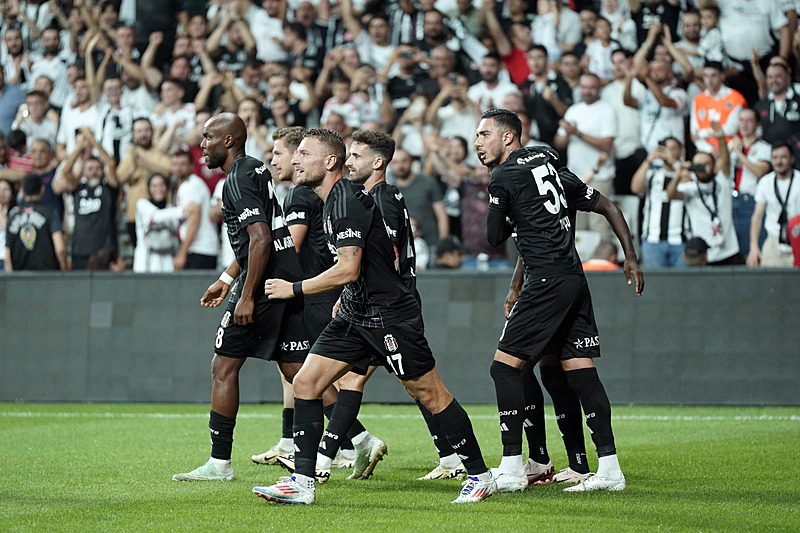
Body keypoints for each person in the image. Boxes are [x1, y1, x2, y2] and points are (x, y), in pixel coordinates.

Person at [253, 128, 497, 504]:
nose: (295, 159)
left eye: (303, 153)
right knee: (305, 383)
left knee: (429, 393)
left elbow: (348, 268)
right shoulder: (331, 201)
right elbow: (359, 269)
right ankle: (302, 483)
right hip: (355, 313)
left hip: (388, 316)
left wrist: (293, 288)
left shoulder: (347, 201)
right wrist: (347, 297)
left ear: (328, 161)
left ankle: (480, 475)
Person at [475, 108, 643, 493]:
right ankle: (606, 469)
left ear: (508, 138)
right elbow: (607, 207)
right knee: (576, 373)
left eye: (485, 134)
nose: (477, 142)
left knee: (505, 369)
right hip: (572, 278)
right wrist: (630, 257)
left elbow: (494, 235)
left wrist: (496, 193)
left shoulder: (505, 175)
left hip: (547, 282)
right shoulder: (549, 167)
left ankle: (514, 466)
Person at [172, 113, 310, 483]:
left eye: (208, 138)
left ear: (229, 141)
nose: (201, 145)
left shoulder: (235, 180)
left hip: (263, 286)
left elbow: (261, 238)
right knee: (299, 373)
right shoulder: (256, 170)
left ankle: (219, 464)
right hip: (284, 280)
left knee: (223, 367)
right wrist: (226, 277)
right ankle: (358, 440)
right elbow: (259, 237)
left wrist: (245, 295)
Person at [251, 126, 361, 472]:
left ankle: (354, 443)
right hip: (340, 296)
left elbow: (293, 247)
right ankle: (311, 462)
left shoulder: (308, 196)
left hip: (323, 297)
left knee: (327, 377)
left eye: (286, 153)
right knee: (303, 374)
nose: (281, 160)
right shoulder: (328, 198)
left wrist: (279, 285)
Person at [555, 73, 618, 239]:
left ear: (599, 89)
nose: (587, 91)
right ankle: (581, 264)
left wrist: (577, 132)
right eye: (584, 87)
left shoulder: (607, 110)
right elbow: (559, 143)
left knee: (598, 223)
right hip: (575, 176)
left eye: (591, 87)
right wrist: (567, 133)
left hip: (601, 175)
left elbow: (607, 144)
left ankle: (600, 264)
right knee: (578, 226)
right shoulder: (573, 110)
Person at [667, 134, 743, 266]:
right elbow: (670, 195)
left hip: (729, 251)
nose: (702, 169)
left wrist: (721, 139)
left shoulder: (722, 182)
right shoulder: (689, 188)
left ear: (714, 166)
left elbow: (725, 160)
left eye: (705, 164)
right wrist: (679, 174)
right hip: (703, 254)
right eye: (698, 165)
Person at [52, 128, 120, 270]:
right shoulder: (78, 188)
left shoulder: (109, 188)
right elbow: (66, 171)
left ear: (103, 171)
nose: (94, 171)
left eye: (97, 168)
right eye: (90, 168)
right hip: (80, 250)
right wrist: (79, 149)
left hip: (105, 250)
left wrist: (93, 142)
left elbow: (111, 164)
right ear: (83, 171)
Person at [630, 137, 686, 267]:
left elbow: (689, 181)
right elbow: (635, 188)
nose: (667, 153)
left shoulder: (685, 174)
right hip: (653, 241)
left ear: (681, 152)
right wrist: (649, 159)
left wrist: (675, 162)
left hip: (679, 240)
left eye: (672, 149)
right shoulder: (653, 175)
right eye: (664, 150)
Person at [747, 143, 800, 268]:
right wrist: (754, 248)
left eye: (783, 157)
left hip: (797, 237)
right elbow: (757, 216)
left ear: (792, 159)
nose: (778, 161)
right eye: (775, 158)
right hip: (773, 239)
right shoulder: (765, 182)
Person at [133, 173, 196, 273]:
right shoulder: (142, 204)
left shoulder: (171, 208)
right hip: (147, 260)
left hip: (167, 259)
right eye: (154, 186)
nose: (159, 189)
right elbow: (157, 216)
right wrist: (184, 210)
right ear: (149, 189)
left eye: (162, 185)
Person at [4, 173, 66, 271]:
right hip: (48, 278)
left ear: (22, 191)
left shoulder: (12, 216)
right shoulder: (50, 213)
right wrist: (63, 270)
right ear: (42, 190)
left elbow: (7, 258)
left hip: (20, 280)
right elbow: (60, 248)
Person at [172, 150, 220, 270]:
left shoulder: (191, 186)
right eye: (175, 164)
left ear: (191, 166)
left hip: (200, 249)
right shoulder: (186, 185)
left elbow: (194, 219)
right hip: (199, 249)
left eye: (182, 164)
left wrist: (182, 252)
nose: (179, 168)